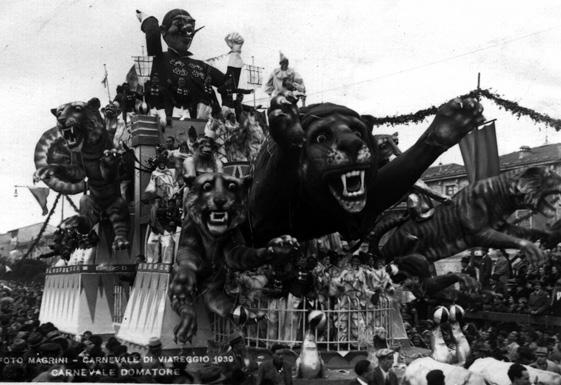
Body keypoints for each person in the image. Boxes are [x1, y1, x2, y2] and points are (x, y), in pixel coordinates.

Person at [137, 8, 233, 120]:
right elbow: (153, 34)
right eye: (179, 24)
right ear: (163, 31)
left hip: (202, 126)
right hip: (167, 123)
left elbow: (228, 82)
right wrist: (149, 20)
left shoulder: (201, 66)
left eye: (191, 26)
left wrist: (227, 106)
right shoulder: (159, 60)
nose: (187, 31)